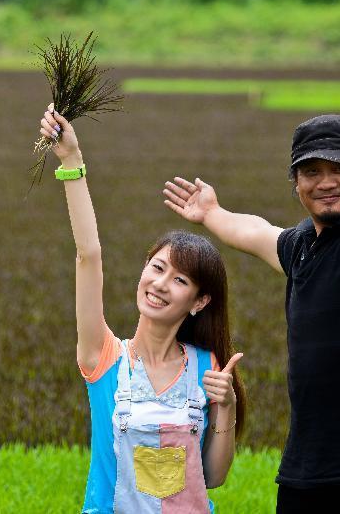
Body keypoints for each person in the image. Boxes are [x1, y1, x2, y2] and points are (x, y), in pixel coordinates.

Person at [164, 113, 340, 513]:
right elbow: (256, 232)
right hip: (307, 474)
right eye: (311, 171)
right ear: (296, 182)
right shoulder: (304, 246)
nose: (325, 182)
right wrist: (211, 212)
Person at [38, 104, 246, 513]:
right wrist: (71, 160)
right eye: (157, 268)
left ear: (200, 301)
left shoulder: (209, 366)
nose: (160, 284)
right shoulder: (103, 358)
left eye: (180, 280)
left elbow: (214, 478)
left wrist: (228, 406)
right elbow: (88, 254)